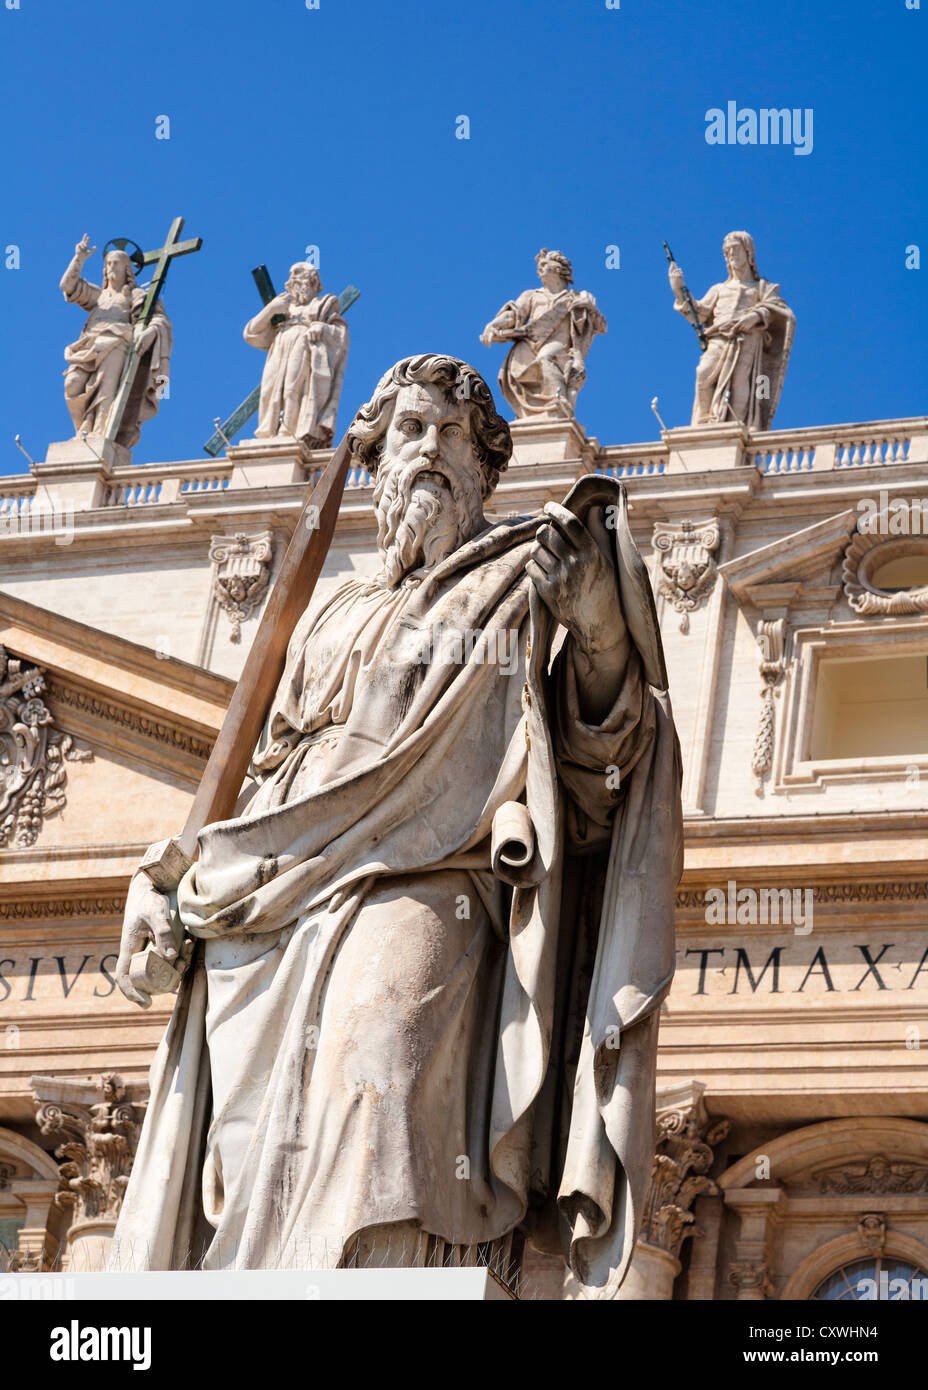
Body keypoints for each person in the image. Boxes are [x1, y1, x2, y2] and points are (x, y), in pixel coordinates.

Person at [112, 354, 682, 1298]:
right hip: (273, 892)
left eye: (457, 437)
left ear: (487, 471)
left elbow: (602, 764)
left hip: (429, 875)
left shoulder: (523, 581)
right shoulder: (324, 609)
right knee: (253, 1145)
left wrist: (597, 634)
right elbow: (259, 775)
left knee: (380, 1058)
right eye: (412, 431)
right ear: (373, 457)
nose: (433, 452)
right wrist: (174, 876)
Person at [668, 231, 794, 430]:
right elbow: (698, 314)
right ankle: (703, 422)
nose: (730, 255)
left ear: (748, 253)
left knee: (740, 381)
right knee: (703, 373)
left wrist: (755, 316)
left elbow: (779, 311)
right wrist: (678, 288)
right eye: (727, 252)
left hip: (748, 338)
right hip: (718, 336)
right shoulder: (719, 289)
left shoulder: (763, 287)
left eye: (735, 249)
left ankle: (736, 426)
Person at [60, 234, 171, 447]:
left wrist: (147, 332)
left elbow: (157, 319)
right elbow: (67, 286)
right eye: (108, 263)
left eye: (117, 263)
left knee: (106, 393)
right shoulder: (98, 296)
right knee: (72, 384)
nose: (112, 267)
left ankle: (98, 433)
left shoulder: (135, 294)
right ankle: (82, 428)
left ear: (127, 269)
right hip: (88, 345)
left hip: (117, 344)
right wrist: (79, 259)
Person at [481, 249, 606, 418]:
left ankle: (559, 401)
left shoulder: (577, 296)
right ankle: (535, 415)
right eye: (539, 266)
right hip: (529, 343)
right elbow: (514, 315)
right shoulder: (531, 295)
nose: (540, 269)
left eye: (544, 264)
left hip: (559, 346)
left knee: (545, 358)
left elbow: (601, 327)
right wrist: (492, 326)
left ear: (558, 268)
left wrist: (589, 307)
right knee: (513, 370)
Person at [244, 262, 348, 447]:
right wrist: (270, 310)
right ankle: (268, 430)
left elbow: (340, 333)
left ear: (314, 284)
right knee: (268, 388)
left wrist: (321, 328)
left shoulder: (323, 305)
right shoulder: (283, 307)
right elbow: (251, 333)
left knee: (293, 389)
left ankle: (287, 431)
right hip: (279, 347)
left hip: (303, 347)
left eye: (304, 283)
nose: (300, 288)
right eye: (295, 284)